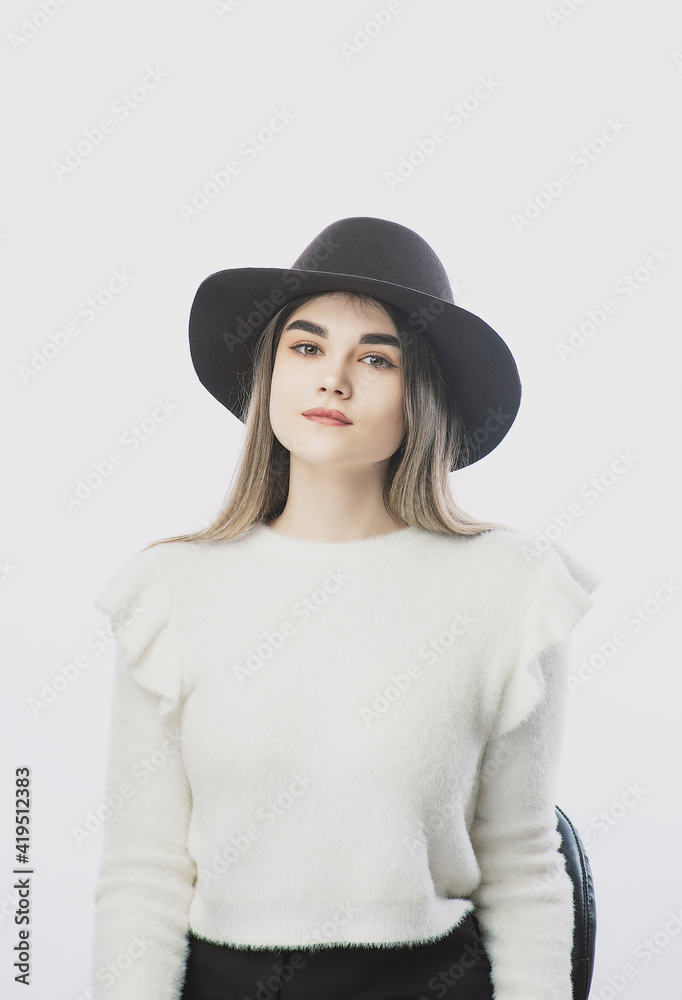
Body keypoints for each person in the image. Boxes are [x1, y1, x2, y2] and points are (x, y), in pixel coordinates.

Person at [89, 217, 600, 1000]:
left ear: (422, 394)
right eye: (306, 347)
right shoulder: (170, 589)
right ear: (270, 372)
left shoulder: (512, 587)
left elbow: (522, 866)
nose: (333, 379)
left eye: (376, 358)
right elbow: (143, 873)